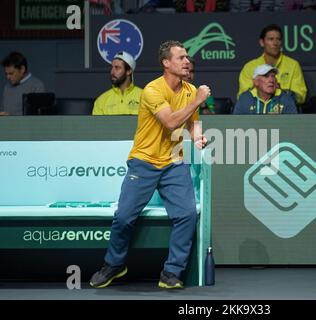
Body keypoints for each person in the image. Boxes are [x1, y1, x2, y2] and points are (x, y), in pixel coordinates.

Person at [89, 40, 210, 289]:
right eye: (181, 58)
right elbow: (170, 122)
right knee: (123, 217)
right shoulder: (153, 90)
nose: (187, 61)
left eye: (187, 57)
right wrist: (198, 100)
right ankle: (114, 264)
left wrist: (197, 136)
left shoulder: (190, 90)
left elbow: (191, 121)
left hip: (174, 163)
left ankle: (171, 272)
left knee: (187, 215)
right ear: (166, 63)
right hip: (144, 162)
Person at [237, 24, 307, 107]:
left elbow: (301, 96)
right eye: (271, 39)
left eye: (278, 39)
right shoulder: (249, 67)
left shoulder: (293, 65)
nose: (275, 43)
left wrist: (282, 92)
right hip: (256, 113)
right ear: (262, 42)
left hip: (285, 113)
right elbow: (242, 96)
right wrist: (265, 90)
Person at [234, 64, 298, 114]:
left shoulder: (285, 98)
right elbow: (235, 124)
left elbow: (293, 126)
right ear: (256, 82)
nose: (271, 80)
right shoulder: (245, 98)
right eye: (266, 76)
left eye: (273, 76)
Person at [92, 51, 142, 115]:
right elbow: (95, 124)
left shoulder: (144, 96)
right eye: (112, 67)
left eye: (117, 68)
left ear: (129, 71)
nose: (112, 72)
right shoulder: (101, 100)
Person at [1, 52, 45, 116]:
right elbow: (3, 111)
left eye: (11, 73)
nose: (8, 77)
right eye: (6, 74)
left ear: (22, 69)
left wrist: (11, 116)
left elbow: (37, 117)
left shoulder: (37, 86)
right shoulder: (7, 87)